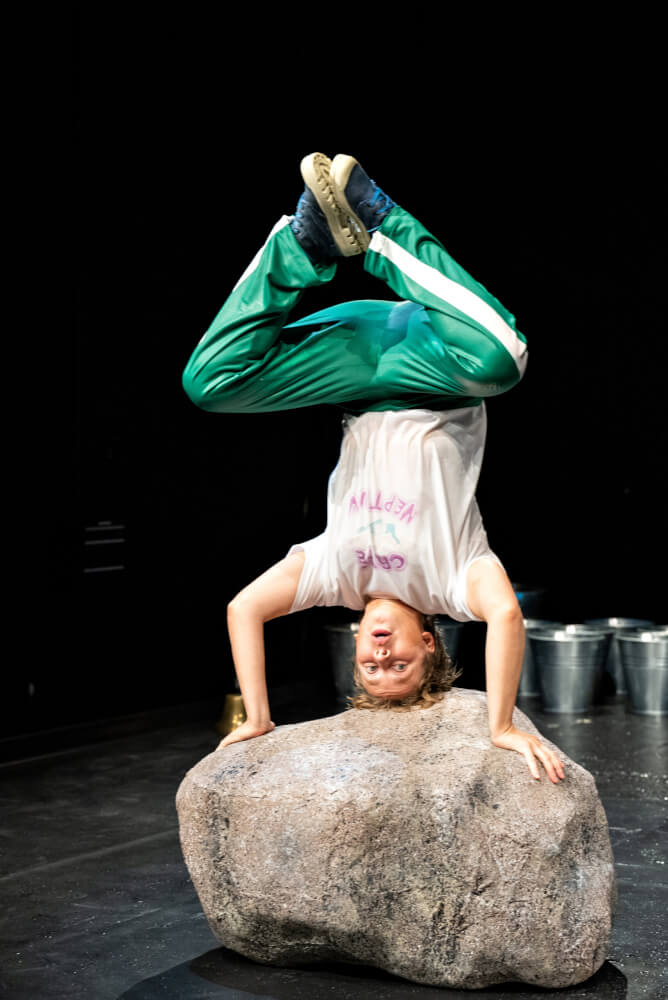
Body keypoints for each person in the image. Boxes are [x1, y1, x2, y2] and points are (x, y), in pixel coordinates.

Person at [182, 153, 565, 785]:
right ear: (430, 646)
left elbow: (242, 609)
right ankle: (379, 221)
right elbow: (507, 617)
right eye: (400, 667)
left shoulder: (332, 576)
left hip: (353, 368)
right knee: (503, 361)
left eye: (371, 668)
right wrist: (500, 726)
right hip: (437, 366)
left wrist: (257, 716)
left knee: (209, 384)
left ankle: (304, 244)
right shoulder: (453, 583)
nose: (381, 656)